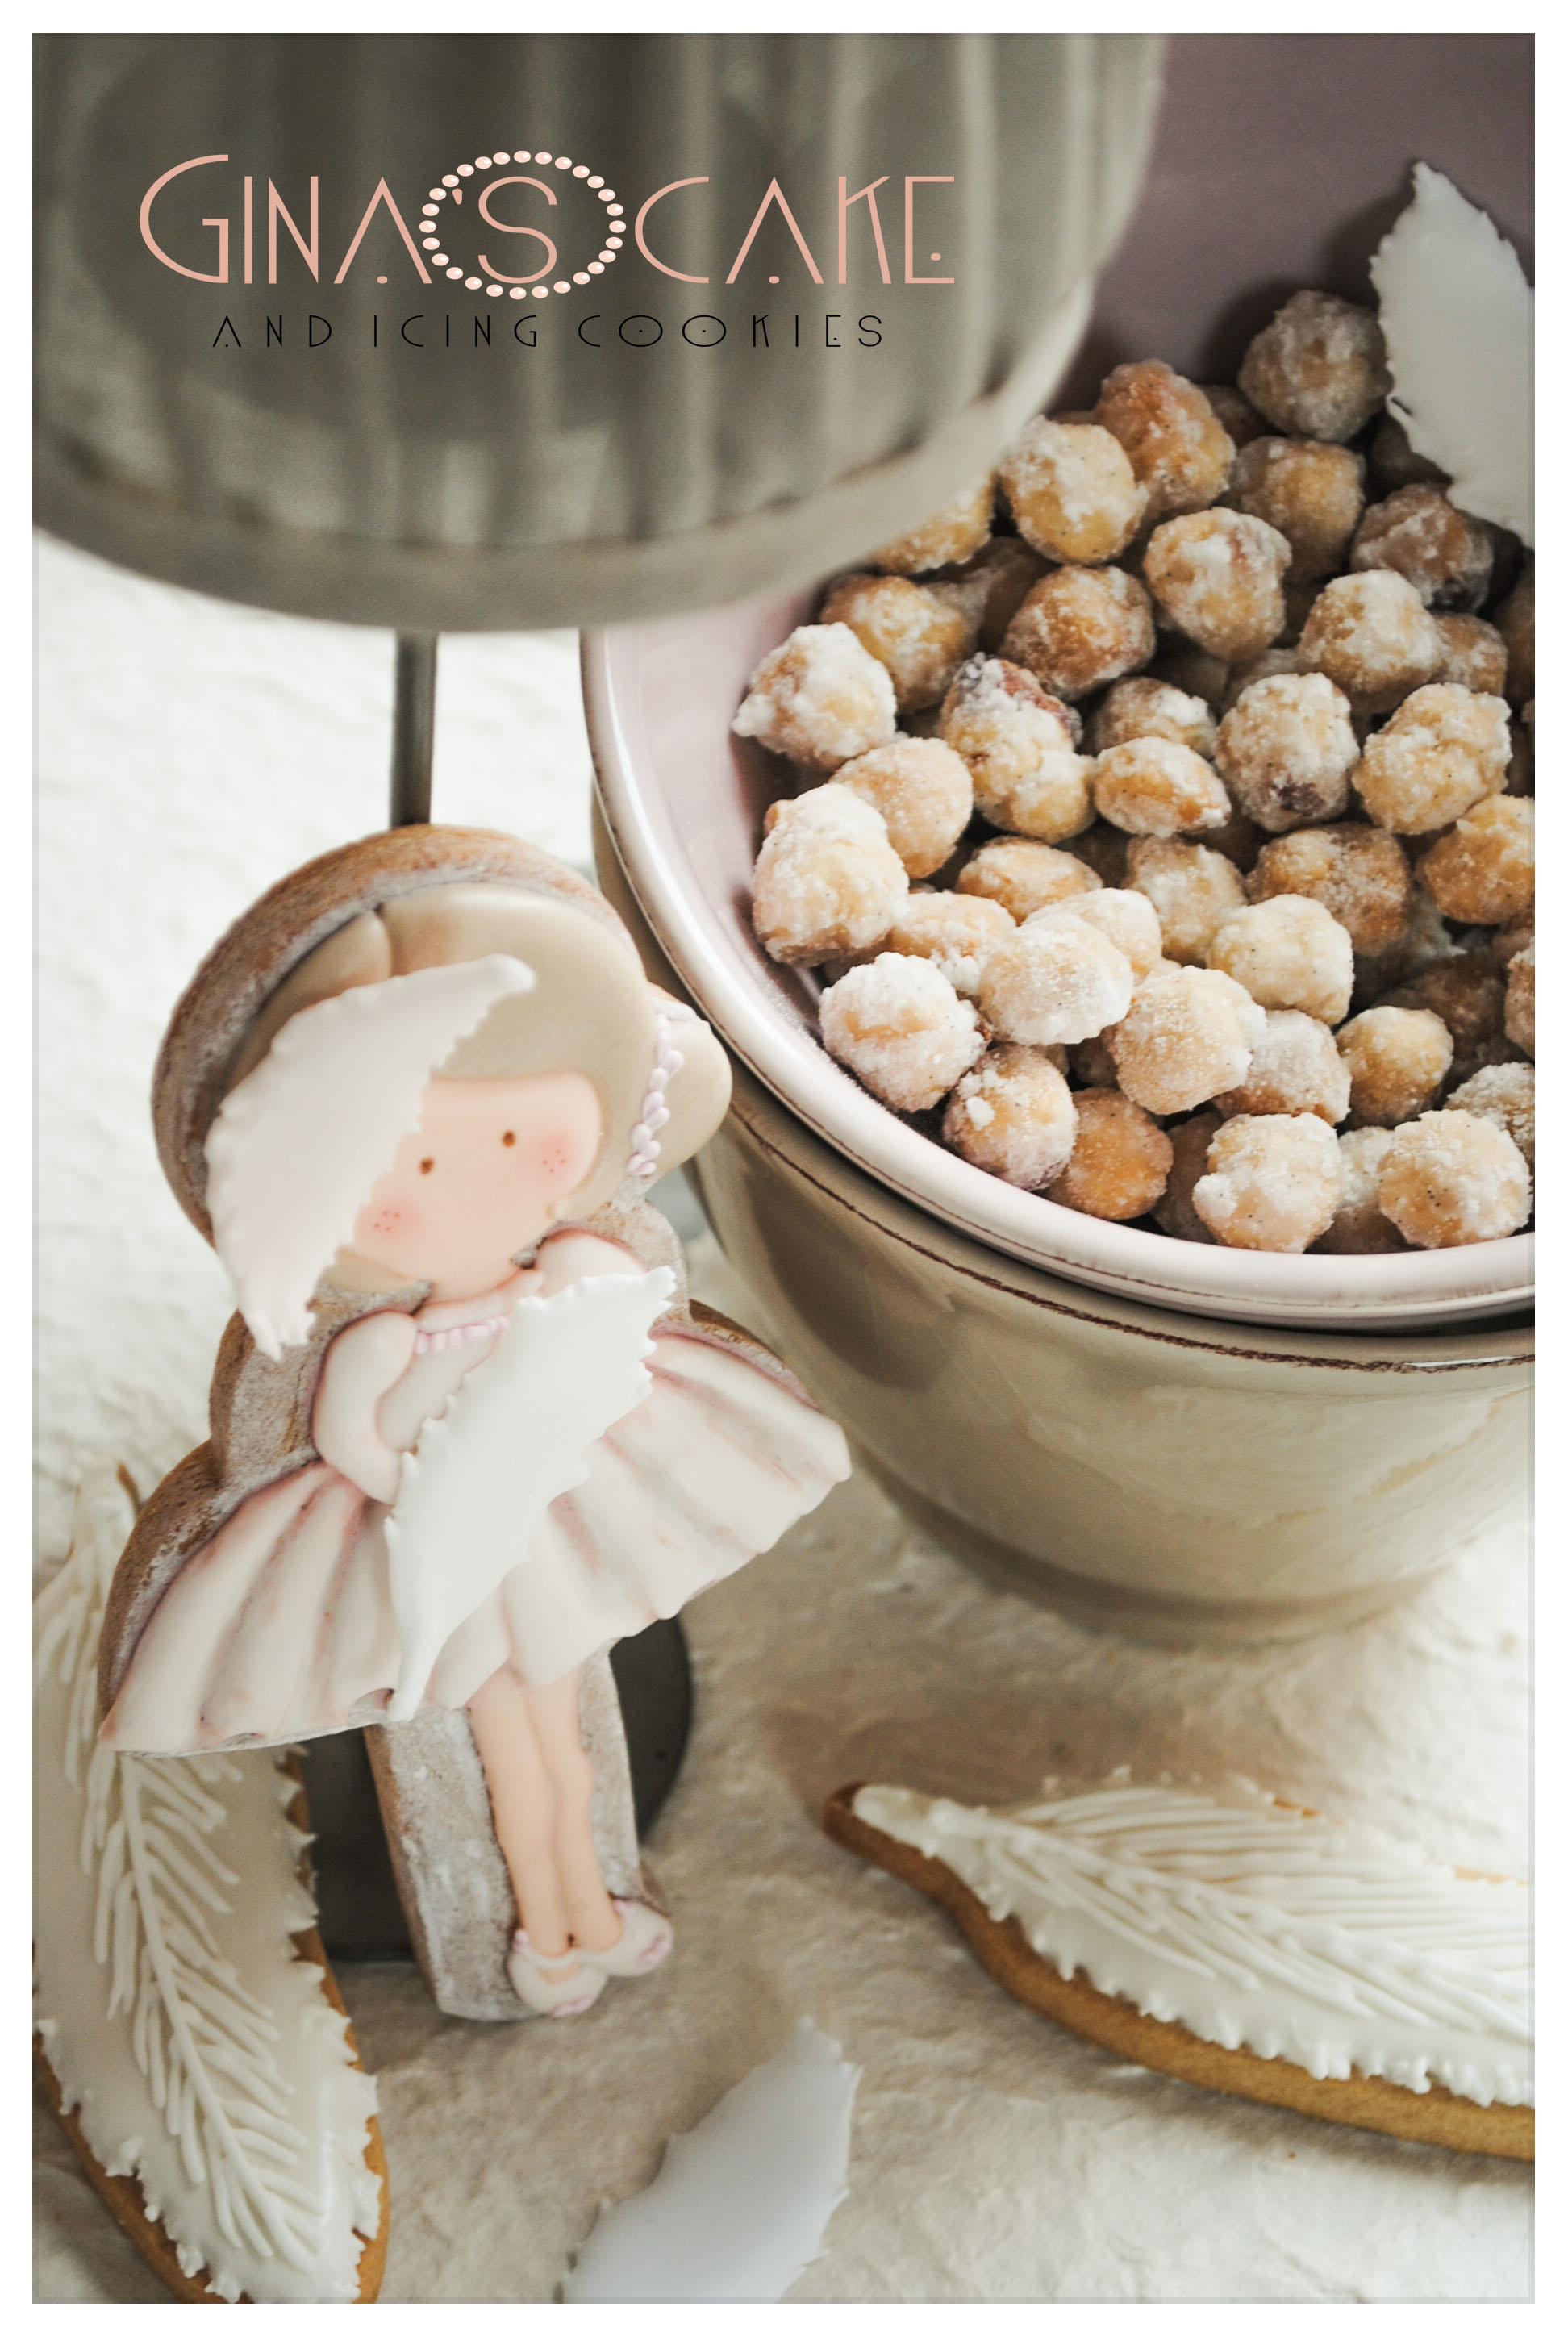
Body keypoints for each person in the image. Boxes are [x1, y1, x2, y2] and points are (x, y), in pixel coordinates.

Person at [99, 832, 850, 2017]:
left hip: (551, 1543)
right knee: (508, 1757)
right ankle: (542, 1929)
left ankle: (588, 1912)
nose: (474, 1183)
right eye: (407, 1171)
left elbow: (610, 1351)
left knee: (562, 1745)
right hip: (451, 1577)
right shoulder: (380, 1342)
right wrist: (428, 1486)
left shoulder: (572, 1270)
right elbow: (353, 1444)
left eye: (511, 1138)